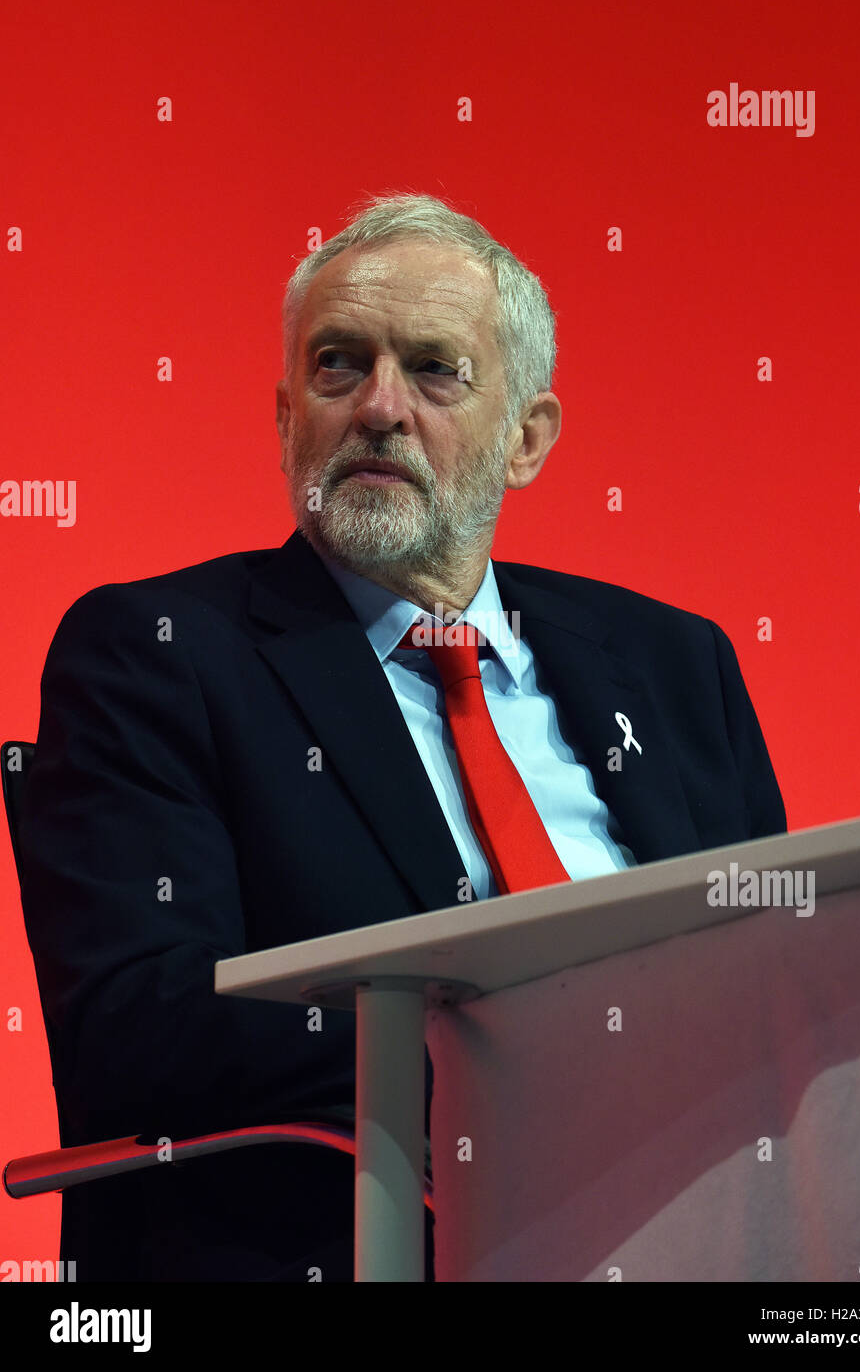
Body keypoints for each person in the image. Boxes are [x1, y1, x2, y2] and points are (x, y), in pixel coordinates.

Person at [18, 192, 786, 1283]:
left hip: (701, 1227)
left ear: (526, 439)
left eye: (434, 370)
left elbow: (772, 978)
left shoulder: (672, 664)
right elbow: (137, 1034)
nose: (379, 406)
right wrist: (517, 1052)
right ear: (287, 418)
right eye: (339, 365)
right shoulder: (159, 653)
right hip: (356, 1241)